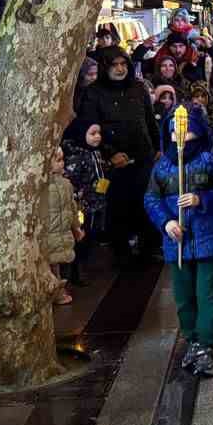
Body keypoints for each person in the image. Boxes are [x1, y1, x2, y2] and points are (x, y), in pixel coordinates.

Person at [146, 104, 213, 377]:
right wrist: (166, 222)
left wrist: (202, 200)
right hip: (177, 244)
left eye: (185, 132)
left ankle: (206, 344)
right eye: (175, 132)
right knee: (184, 295)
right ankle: (192, 339)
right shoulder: (161, 167)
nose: (180, 137)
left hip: (209, 239)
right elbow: (151, 199)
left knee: (207, 293)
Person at [75, 44, 160, 262]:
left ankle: (148, 249)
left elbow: (149, 120)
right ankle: (122, 254)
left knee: (147, 204)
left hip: (143, 156)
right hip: (114, 163)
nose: (120, 69)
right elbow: (90, 127)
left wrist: (157, 148)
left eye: (123, 64)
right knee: (119, 209)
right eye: (115, 65)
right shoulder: (93, 93)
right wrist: (109, 153)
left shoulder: (138, 88)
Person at [62, 119, 109, 288]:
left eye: (99, 133)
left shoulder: (96, 153)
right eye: (92, 133)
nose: (97, 137)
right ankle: (76, 271)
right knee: (80, 238)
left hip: (96, 203)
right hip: (82, 205)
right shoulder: (77, 155)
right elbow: (72, 179)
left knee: (90, 236)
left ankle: (84, 266)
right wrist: (79, 197)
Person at [41, 146, 82, 305]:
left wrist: (76, 227)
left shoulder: (66, 184)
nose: (62, 163)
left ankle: (58, 292)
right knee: (49, 265)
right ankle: (55, 293)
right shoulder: (41, 185)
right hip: (47, 233)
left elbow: (72, 207)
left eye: (62, 159)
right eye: (57, 160)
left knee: (57, 265)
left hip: (61, 231)